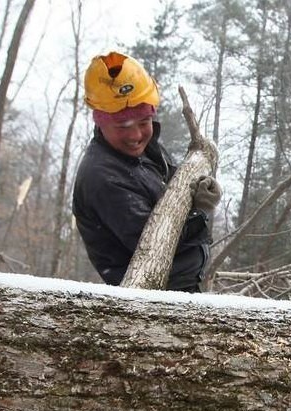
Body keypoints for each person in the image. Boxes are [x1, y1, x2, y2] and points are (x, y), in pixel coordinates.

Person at [73, 51, 221, 293]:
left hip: (180, 289)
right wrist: (199, 210)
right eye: (122, 126)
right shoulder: (103, 177)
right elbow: (158, 243)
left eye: (143, 122)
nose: (136, 135)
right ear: (100, 121)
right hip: (152, 299)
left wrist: (200, 187)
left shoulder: (145, 150)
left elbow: (175, 182)